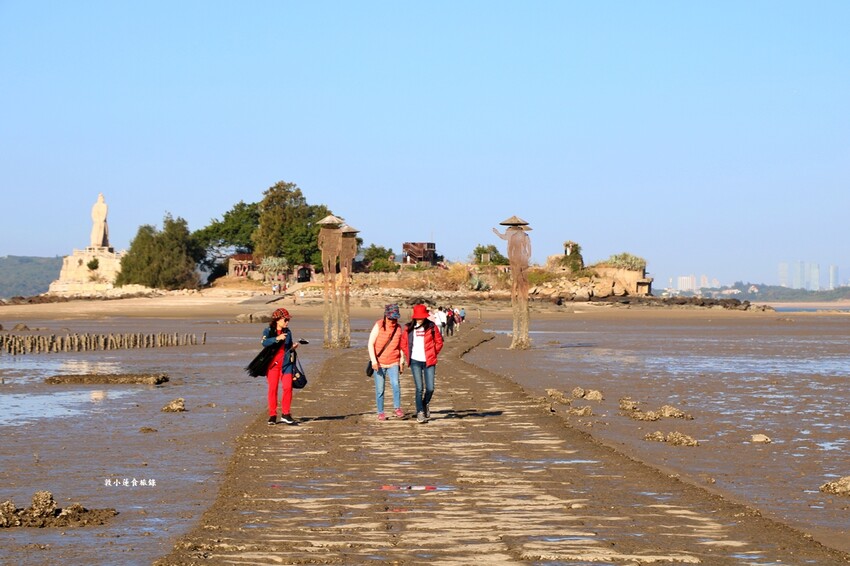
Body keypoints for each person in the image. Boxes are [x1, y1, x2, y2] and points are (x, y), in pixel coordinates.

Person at [401, 303, 444, 423]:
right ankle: (420, 412)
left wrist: (434, 352)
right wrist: (408, 354)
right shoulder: (408, 328)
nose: (420, 319)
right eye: (418, 317)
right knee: (419, 388)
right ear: (414, 317)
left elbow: (439, 341)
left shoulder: (432, 326)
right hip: (415, 361)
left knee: (430, 388)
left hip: (429, 360)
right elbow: (403, 343)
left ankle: (425, 404)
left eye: (422, 317)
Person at [261, 307, 300, 426]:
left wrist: (293, 346)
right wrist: (277, 338)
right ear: (277, 320)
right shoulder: (268, 331)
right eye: (285, 320)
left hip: (286, 364)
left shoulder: (288, 332)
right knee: (273, 389)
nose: (287, 322)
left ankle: (286, 414)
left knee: (288, 387)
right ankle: (272, 415)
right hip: (273, 365)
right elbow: (264, 342)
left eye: (288, 320)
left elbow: (287, 347)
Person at [368, 304, 406, 421]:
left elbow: (401, 347)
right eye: (391, 318)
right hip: (379, 363)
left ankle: (397, 408)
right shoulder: (378, 325)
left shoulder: (399, 328)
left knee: (396, 385)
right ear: (385, 316)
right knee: (380, 389)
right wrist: (374, 361)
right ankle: (380, 412)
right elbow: (370, 344)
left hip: (394, 362)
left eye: (395, 318)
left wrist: (401, 361)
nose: (393, 321)